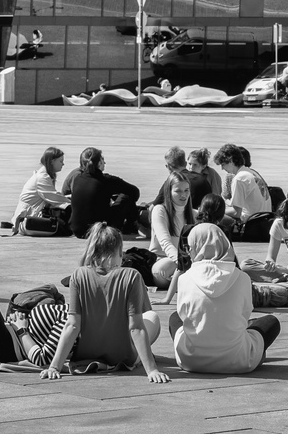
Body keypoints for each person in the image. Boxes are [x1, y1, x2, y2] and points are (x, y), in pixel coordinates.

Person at [34, 225, 170, 382]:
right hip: (123, 356)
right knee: (152, 317)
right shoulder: (132, 276)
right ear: (118, 251)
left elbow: (72, 326)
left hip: (87, 355)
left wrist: (54, 366)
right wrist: (152, 370)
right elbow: (136, 327)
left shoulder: (78, 275)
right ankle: (142, 357)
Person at [170, 223, 278, 374]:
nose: (189, 252)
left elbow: (183, 315)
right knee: (271, 322)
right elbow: (245, 314)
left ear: (196, 247)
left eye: (190, 247)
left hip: (191, 360)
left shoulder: (184, 278)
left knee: (174, 318)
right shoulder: (242, 277)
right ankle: (256, 353)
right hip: (239, 361)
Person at [68, 147, 141, 238]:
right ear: (99, 163)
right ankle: (130, 226)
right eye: (103, 160)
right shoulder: (107, 180)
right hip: (99, 231)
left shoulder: (77, 178)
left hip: (77, 231)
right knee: (125, 198)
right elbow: (135, 192)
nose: (105, 162)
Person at [149, 176, 204, 287]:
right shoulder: (160, 210)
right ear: (168, 192)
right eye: (178, 191)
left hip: (188, 262)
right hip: (164, 260)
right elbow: (165, 242)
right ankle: (188, 280)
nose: (183, 195)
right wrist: (184, 263)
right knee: (162, 269)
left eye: (186, 190)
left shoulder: (194, 214)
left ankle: (183, 281)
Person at [215, 144, 274, 242]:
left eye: (223, 164)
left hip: (250, 223)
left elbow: (236, 213)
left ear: (230, 161)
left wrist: (216, 211)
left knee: (212, 215)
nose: (222, 168)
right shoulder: (252, 173)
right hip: (264, 220)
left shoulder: (239, 179)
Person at [11, 147, 73, 235]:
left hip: (26, 217)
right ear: (52, 161)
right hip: (27, 221)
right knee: (66, 227)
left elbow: (52, 197)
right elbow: (55, 198)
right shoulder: (42, 178)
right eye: (60, 161)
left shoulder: (44, 175)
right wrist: (73, 202)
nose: (63, 164)